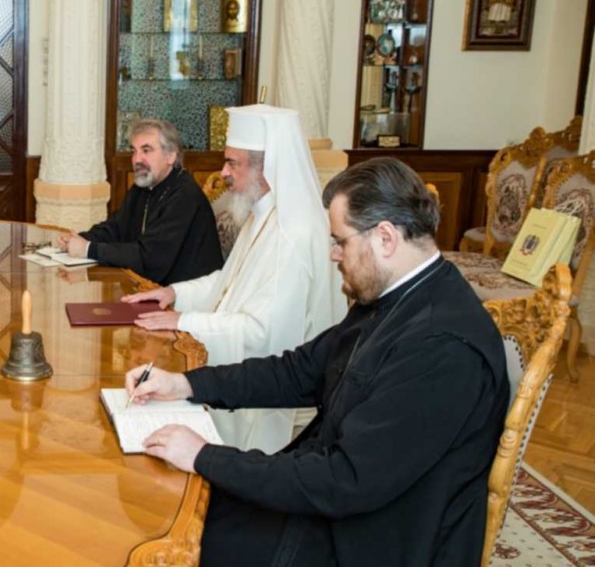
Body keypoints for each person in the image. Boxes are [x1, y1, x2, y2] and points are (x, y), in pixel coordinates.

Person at [127, 158, 507, 566]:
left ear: (385, 238)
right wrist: (186, 384)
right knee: (175, 503)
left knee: (173, 540)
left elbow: (347, 480)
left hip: (370, 540)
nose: (333, 255)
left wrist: (205, 455)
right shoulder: (394, 296)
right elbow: (297, 371)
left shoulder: (442, 347)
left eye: (341, 241)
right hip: (332, 505)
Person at [122, 105, 346, 453]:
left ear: (266, 168)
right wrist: (174, 293)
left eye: (232, 163)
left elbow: (262, 333)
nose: (224, 173)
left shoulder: (294, 233)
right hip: (244, 377)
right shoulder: (263, 213)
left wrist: (184, 321)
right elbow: (228, 283)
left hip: (281, 408)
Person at [56, 119, 224, 286]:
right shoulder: (144, 186)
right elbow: (116, 228)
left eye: (146, 150)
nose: (137, 159)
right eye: (134, 151)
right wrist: (81, 239)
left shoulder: (184, 196)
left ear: (171, 156)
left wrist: (88, 249)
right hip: (146, 285)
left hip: (184, 294)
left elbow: (150, 258)